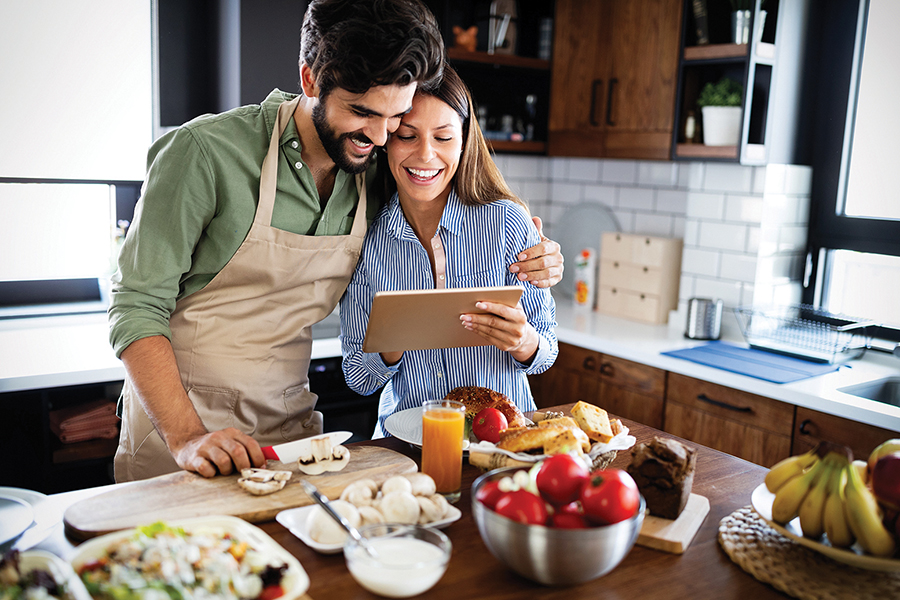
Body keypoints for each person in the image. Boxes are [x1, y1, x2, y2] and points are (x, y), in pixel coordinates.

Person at [109, 0, 563, 481]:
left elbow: (447, 181)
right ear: (309, 80)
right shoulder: (204, 154)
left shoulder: (374, 170)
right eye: (363, 112)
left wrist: (544, 258)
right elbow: (136, 305)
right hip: (182, 433)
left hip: (290, 433)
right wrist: (187, 437)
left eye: (395, 117)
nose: (381, 136)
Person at [340, 64, 558, 437]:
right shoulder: (368, 239)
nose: (426, 155)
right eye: (407, 136)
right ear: (386, 141)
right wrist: (394, 341)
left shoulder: (507, 222)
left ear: (463, 141)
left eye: (443, 138)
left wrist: (524, 341)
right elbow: (358, 378)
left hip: (503, 441)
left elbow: (546, 350)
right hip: (409, 443)